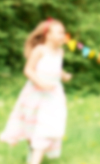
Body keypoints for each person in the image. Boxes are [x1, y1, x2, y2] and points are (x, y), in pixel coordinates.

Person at [0, 18, 72, 164]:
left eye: (64, 32)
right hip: (36, 94)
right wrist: (41, 83)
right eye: (59, 32)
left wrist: (64, 75)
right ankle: (33, 154)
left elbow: (55, 69)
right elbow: (28, 70)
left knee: (47, 127)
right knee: (34, 126)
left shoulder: (60, 52)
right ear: (48, 35)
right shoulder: (39, 50)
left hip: (53, 96)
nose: (63, 35)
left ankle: (34, 159)